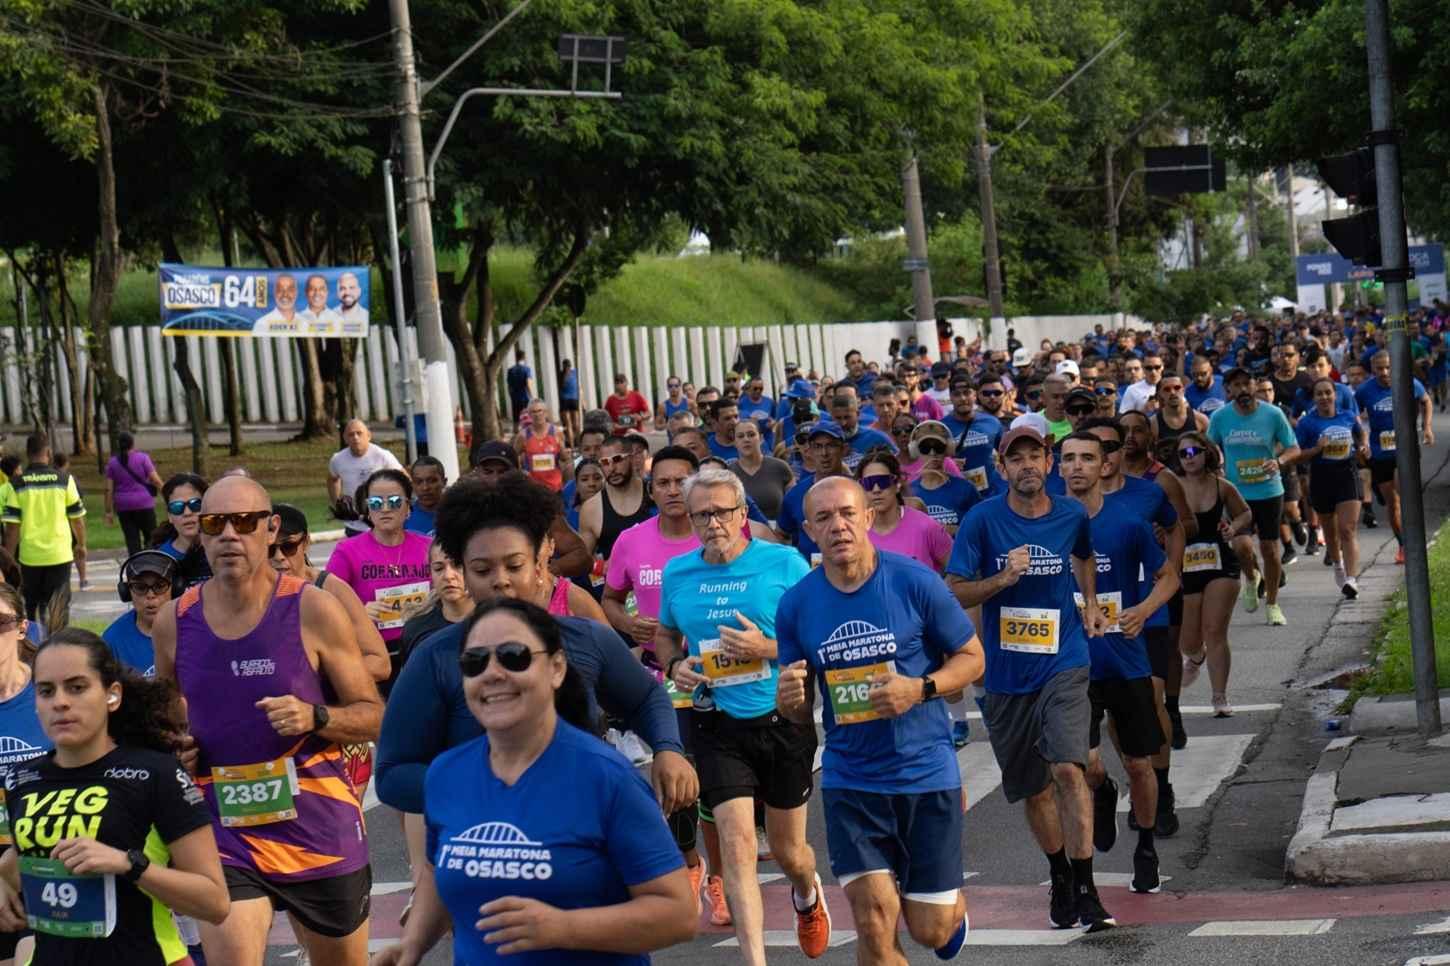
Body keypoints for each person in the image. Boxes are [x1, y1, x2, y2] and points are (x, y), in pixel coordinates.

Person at [373, 599, 698, 966]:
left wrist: (563, 928)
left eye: (514, 656)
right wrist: (412, 945)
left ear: (556, 668)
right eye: (474, 662)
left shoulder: (606, 778)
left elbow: (679, 914)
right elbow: (437, 870)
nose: (493, 672)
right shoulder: (446, 773)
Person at [374, 474, 696, 829]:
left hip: (583, 831)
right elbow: (393, 773)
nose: (500, 579)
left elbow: (645, 698)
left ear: (539, 566)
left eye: (514, 566)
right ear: (463, 572)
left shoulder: (585, 639)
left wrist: (668, 749)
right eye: (482, 569)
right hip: (483, 847)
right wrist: (481, 788)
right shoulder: (435, 657)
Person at [151, 476, 384, 966]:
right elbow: (167, 722)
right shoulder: (175, 620)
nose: (229, 535)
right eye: (215, 523)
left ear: (271, 528)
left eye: (244, 521)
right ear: (201, 533)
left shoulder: (314, 608)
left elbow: (373, 716)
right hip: (225, 826)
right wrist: (176, 747)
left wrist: (315, 716)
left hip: (318, 826)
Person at [775, 477, 982, 963]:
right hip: (853, 779)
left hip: (924, 770)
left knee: (930, 931)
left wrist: (920, 688)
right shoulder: (796, 605)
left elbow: (972, 658)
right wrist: (789, 700)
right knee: (872, 920)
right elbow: (799, 706)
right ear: (808, 530)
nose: (838, 526)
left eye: (847, 513)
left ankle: (948, 908)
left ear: (868, 517)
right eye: (823, 518)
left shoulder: (914, 581)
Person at [652, 467, 829, 964]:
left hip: (782, 719)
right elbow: (666, 634)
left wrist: (766, 647)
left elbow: (817, 637)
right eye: (701, 514)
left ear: (742, 513)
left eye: (722, 512)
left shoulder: (784, 564)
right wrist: (674, 663)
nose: (713, 523)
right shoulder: (679, 573)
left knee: (791, 852)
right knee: (735, 845)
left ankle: (806, 894)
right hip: (717, 721)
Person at [945, 425, 1115, 932]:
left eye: (1034, 456)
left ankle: (1087, 889)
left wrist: (1090, 605)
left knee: (1067, 768)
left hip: (1063, 658)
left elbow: (1083, 555)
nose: (1026, 466)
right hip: (1004, 674)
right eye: (1014, 458)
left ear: (1049, 463)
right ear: (1001, 468)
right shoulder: (981, 520)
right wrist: (1001, 580)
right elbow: (955, 590)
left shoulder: (1070, 513)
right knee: (1034, 788)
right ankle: (1060, 875)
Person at [0, 628, 229, 964]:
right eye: (46, 691)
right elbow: (22, 858)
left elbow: (215, 903)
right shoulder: (23, 779)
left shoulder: (156, 775)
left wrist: (128, 864)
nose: (60, 702)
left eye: (77, 687)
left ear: (112, 695)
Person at [1058, 433, 1179, 895]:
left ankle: (1145, 844)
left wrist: (1144, 611)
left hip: (1124, 662)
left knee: (1139, 764)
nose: (1077, 467)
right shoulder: (1047, 525)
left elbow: (1169, 577)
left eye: (1086, 458)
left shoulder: (1127, 524)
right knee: (1082, 766)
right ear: (1059, 468)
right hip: (1070, 668)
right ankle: (1102, 791)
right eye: (1068, 459)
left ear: (1103, 464)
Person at [601, 446, 716, 920]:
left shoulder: (717, 534)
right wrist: (630, 628)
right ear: (652, 491)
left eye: (680, 481)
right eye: (663, 483)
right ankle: (694, 865)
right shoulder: (631, 541)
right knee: (679, 779)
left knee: (719, 785)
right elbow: (610, 599)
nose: (672, 490)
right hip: (659, 678)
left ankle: (722, 871)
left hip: (721, 675)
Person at [1206, 368, 1300, 626]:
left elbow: (1294, 448)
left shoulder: (1272, 414)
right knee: (1241, 547)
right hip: (1236, 493)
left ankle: (1272, 604)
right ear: (1228, 390)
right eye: (1236, 385)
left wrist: (1278, 461)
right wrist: (1217, 464)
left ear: (1255, 384)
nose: (1243, 389)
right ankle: (1250, 577)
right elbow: (1209, 446)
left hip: (1269, 490)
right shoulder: (1221, 417)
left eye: (1247, 383)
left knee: (1270, 550)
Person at [325, 469, 434, 689]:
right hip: (374, 656)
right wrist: (358, 615)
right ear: (367, 508)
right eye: (376, 503)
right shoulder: (347, 551)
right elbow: (324, 606)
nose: (385, 509)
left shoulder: (429, 547)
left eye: (394, 501)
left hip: (425, 650)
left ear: (407, 507)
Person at [1174, 432, 1252, 716]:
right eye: (1183, 453)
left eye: (1195, 451)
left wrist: (1233, 528)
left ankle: (1220, 697)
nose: (1190, 457)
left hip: (1221, 563)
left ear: (1207, 453)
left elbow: (1245, 513)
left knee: (1215, 630)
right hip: (1184, 565)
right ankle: (1195, 658)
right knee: (1188, 640)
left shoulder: (1222, 486)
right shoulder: (1172, 486)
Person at [1356, 350, 1435, 565]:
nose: (1384, 372)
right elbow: (1354, 414)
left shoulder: (1408, 382)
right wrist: (1361, 440)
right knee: (1392, 503)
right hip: (1380, 453)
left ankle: (1414, 541)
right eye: (1380, 368)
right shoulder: (1364, 390)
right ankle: (1402, 545)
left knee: (1404, 495)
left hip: (1406, 449)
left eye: (1388, 367)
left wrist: (1426, 427)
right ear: (1372, 369)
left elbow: (1426, 401)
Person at [1292, 378, 1367, 597]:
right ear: (1313, 398)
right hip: (1322, 477)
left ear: (1335, 394)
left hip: (1347, 473)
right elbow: (1297, 455)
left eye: (1328, 393)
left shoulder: (1347, 416)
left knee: (1348, 528)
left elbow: (1360, 432)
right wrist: (1316, 449)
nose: (1324, 397)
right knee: (1331, 532)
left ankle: (1352, 580)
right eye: (1319, 394)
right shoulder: (1308, 423)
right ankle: (1338, 566)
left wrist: (1363, 445)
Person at [3, 432, 85, 625]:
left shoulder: (16, 484)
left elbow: (12, 528)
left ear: (27, 454)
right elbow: (78, 520)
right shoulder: (65, 481)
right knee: (59, 606)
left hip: (30, 557)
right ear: (48, 453)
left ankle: (32, 646)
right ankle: (58, 644)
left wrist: (7, 559)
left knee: (30, 605)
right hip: (60, 554)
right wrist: (81, 545)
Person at [857, 453, 952, 572]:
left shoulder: (926, 526)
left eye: (883, 481)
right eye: (869, 483)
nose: (876, 490)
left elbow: (957, 573)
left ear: (897, 484)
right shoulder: (856, 533)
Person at [775, 423, 849, 565]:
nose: (824, 453)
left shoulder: (857, 491)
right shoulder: (796, 495)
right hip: (810, 574)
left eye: (831, 445)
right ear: (809, 451)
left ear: (844, 449)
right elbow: (781, 535)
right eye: (817, 446)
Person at [101, 550, 180, 677]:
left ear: (176, 588)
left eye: (160, 586)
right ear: (127, 592)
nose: (150, 595)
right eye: (140, 588)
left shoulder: (194, 629)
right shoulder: (113, 640)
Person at [398, 539, 474, 668]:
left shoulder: (497, 622)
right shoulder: (415, 629)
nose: (448, 576)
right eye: (439, 568)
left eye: (457, 565)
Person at [578, 436, 655, 563]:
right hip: (616, 582)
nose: (612, 468)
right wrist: (603, 569)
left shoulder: (654, 492)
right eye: (605, 462)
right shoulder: (591, 508)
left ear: (631, 458)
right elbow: (584, 560)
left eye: (617, 459)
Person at [327, 420, 403, 537]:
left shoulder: (382, 456)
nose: (355, 438)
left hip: (382, 520)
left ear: (368, 435)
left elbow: (404, 479)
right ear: (345, 438)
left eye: (359, 433)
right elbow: (333, 479)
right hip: (354, 523)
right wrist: (337, 503)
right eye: (351, 434)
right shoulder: (338, 459)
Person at [907, 421, 979, 536]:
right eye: (925, 448)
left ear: (948, 449)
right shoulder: (909, 492)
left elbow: (981, 528)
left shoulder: (965, 489)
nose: (932, 453)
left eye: (938, 447)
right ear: (915, 451)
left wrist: (956, 530)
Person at [103, 431, 163, 556]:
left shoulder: (112, 463)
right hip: (144, 503)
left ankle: (136, 568)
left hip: (123, 506)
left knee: (132, 540)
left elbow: (108, 489)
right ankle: (152, 563)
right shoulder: (143, 458)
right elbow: (155, 480)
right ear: (133, 444)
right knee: (151, 537)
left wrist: (108, 511)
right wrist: (168, 493)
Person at [942, 376, 1005, 496]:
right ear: (950, 397)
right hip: (959, 495)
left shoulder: (992, 422)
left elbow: (1006, 454)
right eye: (957, 394)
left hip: (992, 493)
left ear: (975, 395)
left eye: (967, 393)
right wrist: (948, 463)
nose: (963, 398)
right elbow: (932, 462)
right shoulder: (942, 427)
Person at [153, 473, 212, 589]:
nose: (187, 513)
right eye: (177, 507)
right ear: (169, 515)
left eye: (195, 504)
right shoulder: (159, 558)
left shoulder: (223, 550)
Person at [728, 420, 793, 524]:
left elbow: (792, 507)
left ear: (761, 438)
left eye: (751, 435)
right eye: (740, 436)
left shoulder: (780, 467)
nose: (746, 439)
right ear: (735, 442)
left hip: (777, 534)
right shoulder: (728, 474)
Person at [827, 392, 894, 472]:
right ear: (831, 418)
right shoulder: (825, 442)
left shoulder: (877, 438)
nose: (843, 423)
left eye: (847, 417)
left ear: (858, 414)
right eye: (838, 418)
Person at [515, 399, 571, 493]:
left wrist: (565, 454)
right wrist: (521, 472)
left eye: (540, 410)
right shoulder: (523, 436)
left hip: (555, 487)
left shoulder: (556, 432)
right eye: (533, 412)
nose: (537, 414)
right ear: (529, 414)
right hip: (533, 489)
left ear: (546, 413)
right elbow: (513, 457)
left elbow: (564, 458)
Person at [405, 456, 446, 536]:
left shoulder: (460, 514)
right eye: (418, 482)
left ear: (444, 482)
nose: (425, 488)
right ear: (412, 485)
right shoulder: (404, 519)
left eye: (432, 481)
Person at [565, 458, 604, 533]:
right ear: (576, 485)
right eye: (584, 479)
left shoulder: (615, 512)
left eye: (597, 478)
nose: (591, 483)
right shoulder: (567, 520)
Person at [505, 347, 534, 425]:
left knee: (516, 420)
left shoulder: (510, 370)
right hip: (524, 398)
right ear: (524, 357)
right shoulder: (526, 369)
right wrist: (532, 396)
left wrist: (511, 396)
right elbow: (528, 383)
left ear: (516, 357)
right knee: (526, 420)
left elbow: (509, 386)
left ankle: (516, 434)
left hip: (515, 398)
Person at [559, 359, 582, 447]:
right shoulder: (575, 372)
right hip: (574, 399)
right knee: (576, 423)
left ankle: (572, 446)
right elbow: (579, 386)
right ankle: (579, 444)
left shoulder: (561, 375)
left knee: (568, 425)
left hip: (565, 400)